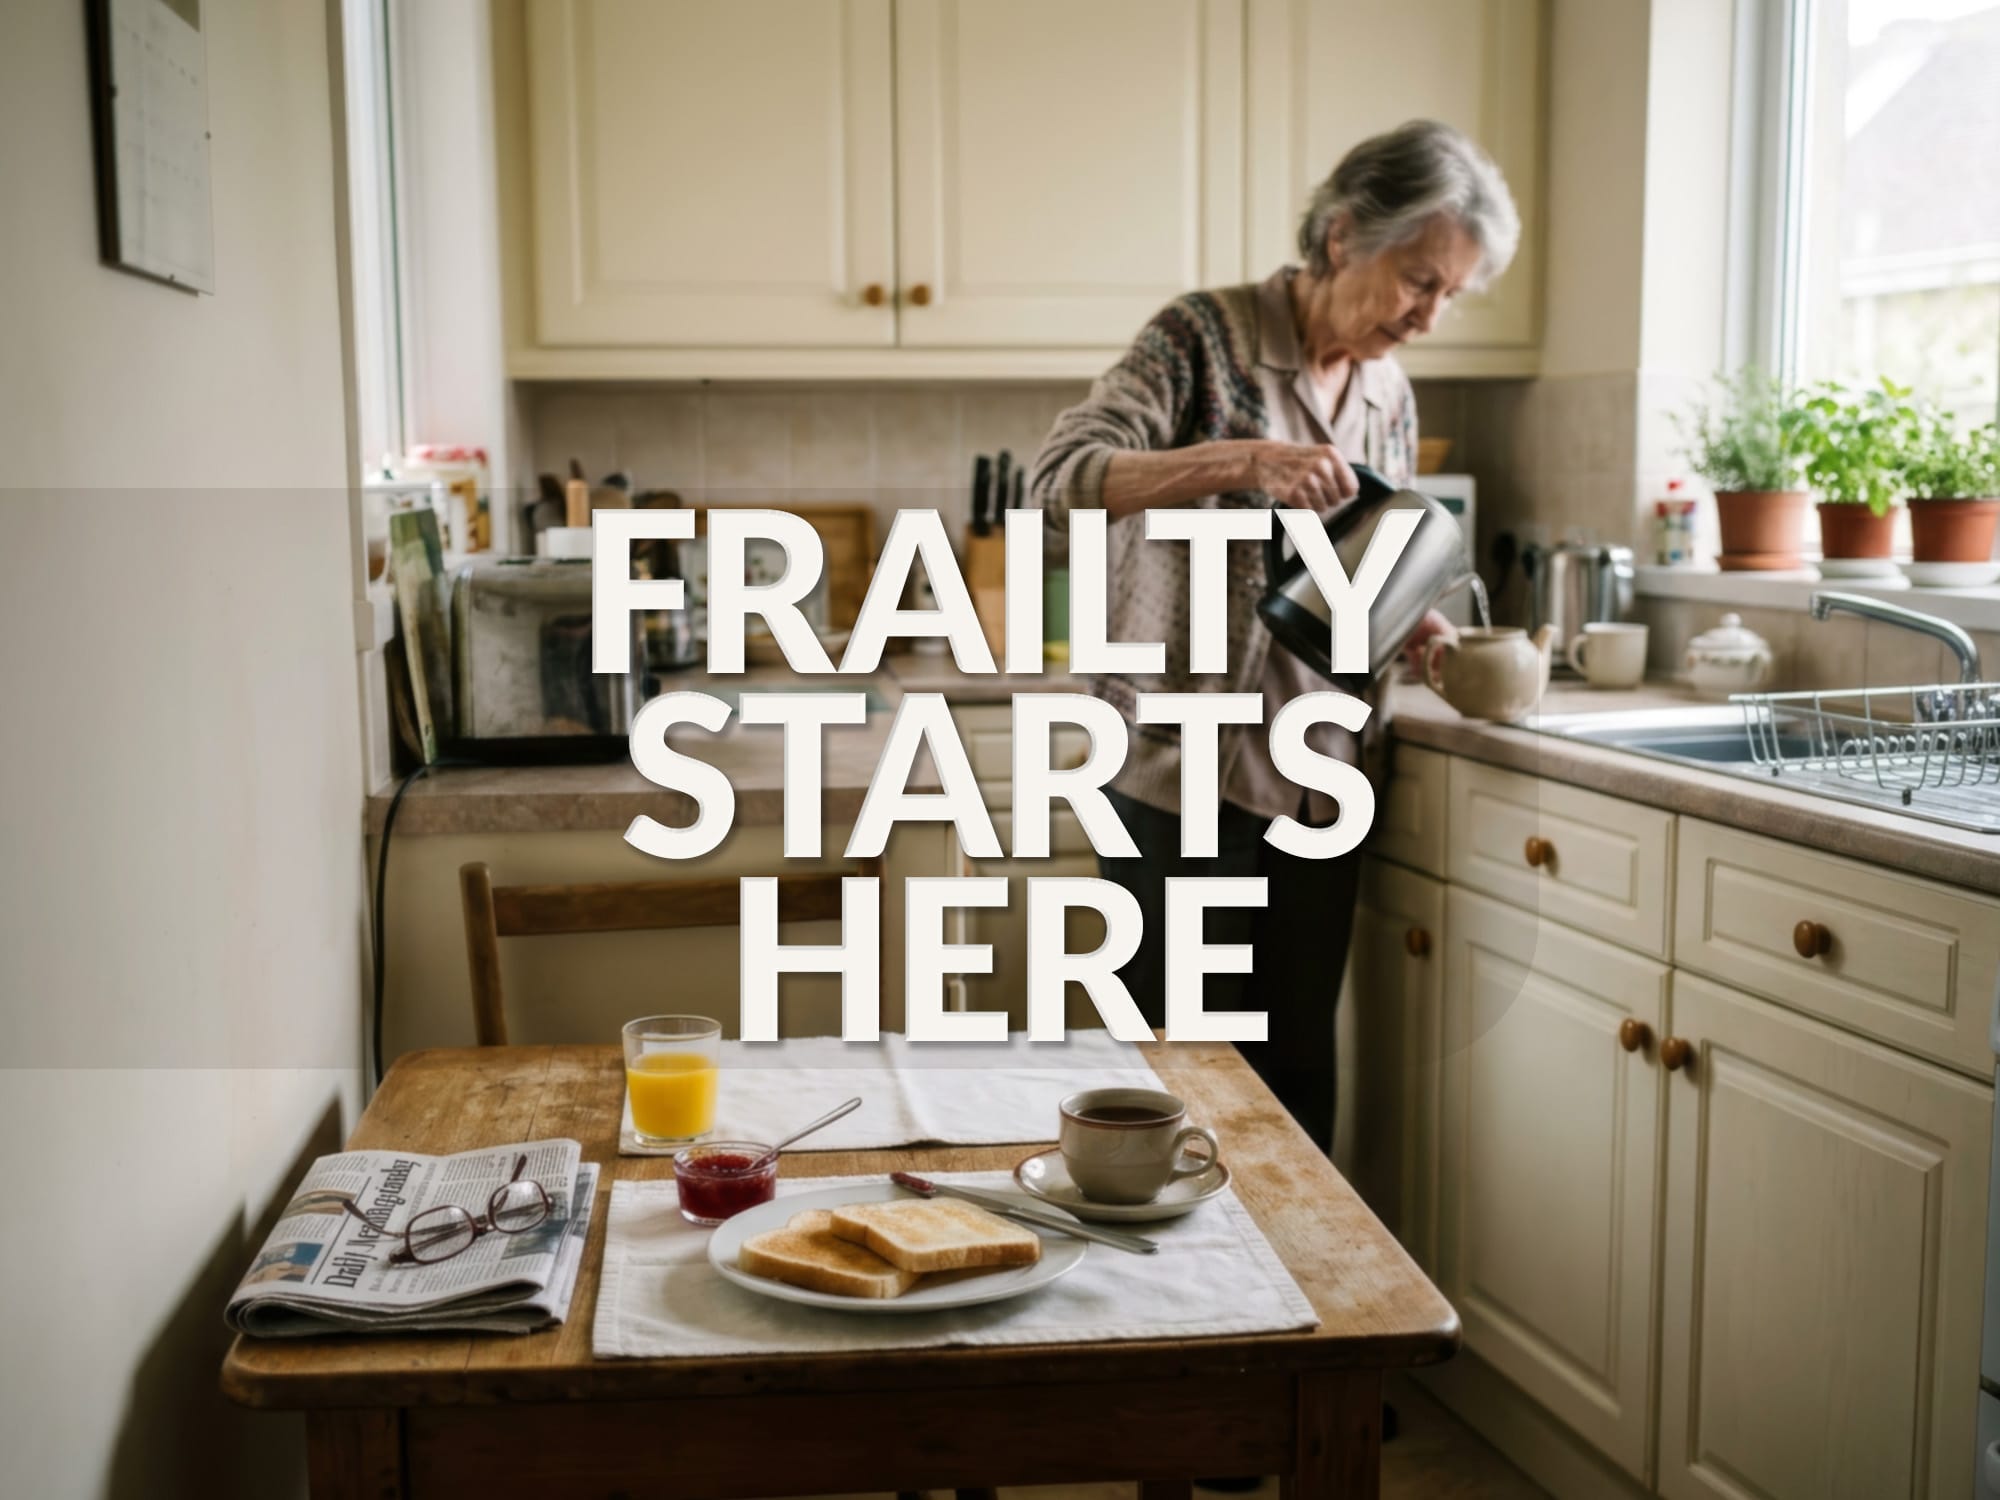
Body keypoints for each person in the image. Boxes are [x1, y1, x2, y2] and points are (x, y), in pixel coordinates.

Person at [1028, 119, 1519, 1154]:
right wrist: (1237, 460)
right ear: (1341, 236)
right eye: (1415, 280)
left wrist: (1411, 623)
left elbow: (1348, 576)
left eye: (1447, 296)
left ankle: (1293, 1306)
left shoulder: (1386, 390)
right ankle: (1160, 1310)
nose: (1426, 317)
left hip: (1319, 782)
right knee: (1169, 1084)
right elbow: (1058, 484)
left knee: (1294, 1081)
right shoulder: (1199, 340)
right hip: (1178, 780)